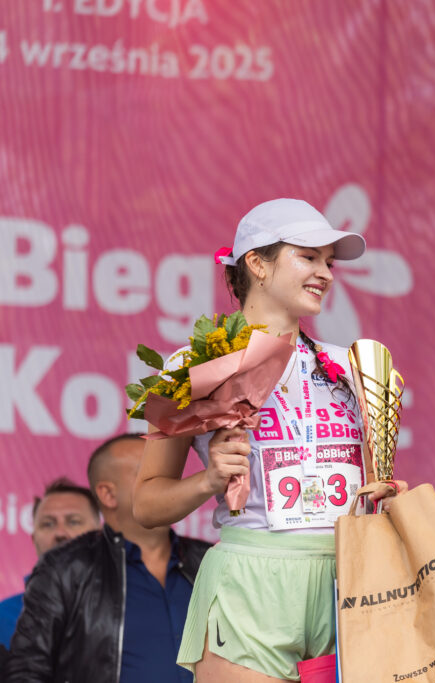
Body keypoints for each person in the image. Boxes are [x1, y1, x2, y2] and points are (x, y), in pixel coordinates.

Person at [133, 198, 406, 682]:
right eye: (308, 257)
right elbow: (146, 504)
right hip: (252, 582)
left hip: (350, 581)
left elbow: (370, 481)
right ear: (257, 264)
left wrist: (386, 494)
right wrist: (209, 480)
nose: (325, 274)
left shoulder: (353, 366)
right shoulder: (195, 366)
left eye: (329, 262)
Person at [6, 434, 211, 683]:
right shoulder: (64, 568)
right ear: (108, 494)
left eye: (169, 469)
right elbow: (26, 671)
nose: (168, 480)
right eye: (149, 472)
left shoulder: (210, 560)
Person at [0, 477, 101, 648]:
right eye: (48, 524)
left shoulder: (130, 609)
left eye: (73, 521)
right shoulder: (4, 617)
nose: (60, 533)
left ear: (100, 536)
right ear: (34, 540)